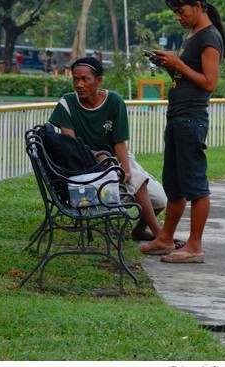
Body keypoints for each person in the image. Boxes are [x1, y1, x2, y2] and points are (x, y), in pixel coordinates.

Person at [138, 0, 225, 263]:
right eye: (174, 12)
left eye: (181, 10)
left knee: (195, 185)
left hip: (192, 117)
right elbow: (186, 78)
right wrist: (170, 66)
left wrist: (178, 63)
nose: (178, 17)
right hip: (177, 115)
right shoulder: (192, 34)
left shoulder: (209, 37)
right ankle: (165, 239)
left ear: (198, 6)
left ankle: (194, 246)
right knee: (174, 184)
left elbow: (209, 83)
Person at [48, 56, 173, 246]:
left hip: (115, 158)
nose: (79, 84)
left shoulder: (114, 101)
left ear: (98, 81)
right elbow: (72, 146)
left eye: (85, 79)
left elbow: (120, 143)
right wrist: (99, 156)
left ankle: (140, 230)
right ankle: (161, 236)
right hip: (86, 164)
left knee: (160, 199)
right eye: (75, 79)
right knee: (138, 182)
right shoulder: (67, 104)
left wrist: (125, 168)